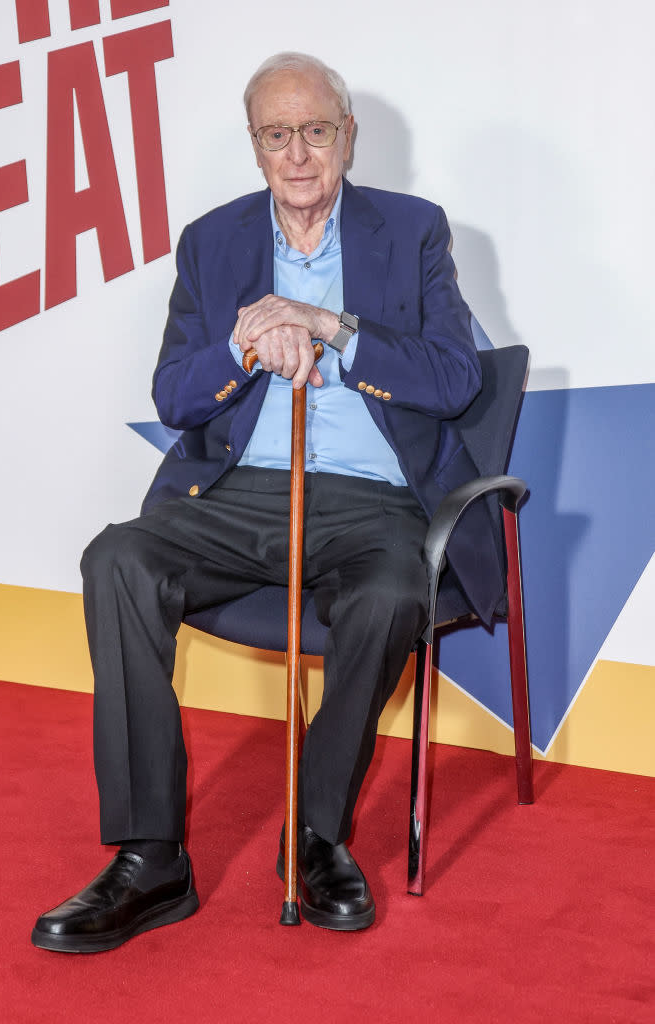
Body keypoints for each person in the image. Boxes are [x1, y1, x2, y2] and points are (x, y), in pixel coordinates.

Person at [32, 52, 502, 952]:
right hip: (236, 492)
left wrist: (334, 329)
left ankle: (317, 834)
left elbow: (450, 379)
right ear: (255, 148)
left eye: (315, 131)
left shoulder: (410, 233)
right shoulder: (212, 242)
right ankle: (150, 856)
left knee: (389, 596)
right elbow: (174, 393)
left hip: (371, 502)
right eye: (276, 135)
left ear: (347, 137)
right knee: (117, 560)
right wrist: (244, 345)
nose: (297, 153)